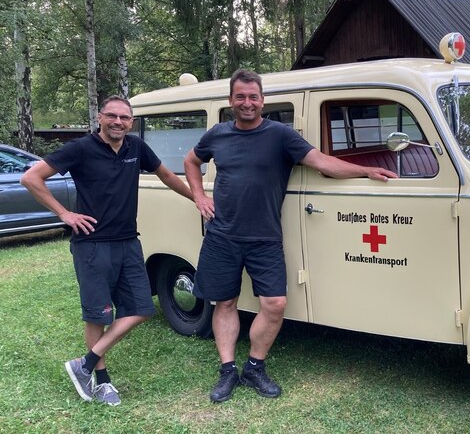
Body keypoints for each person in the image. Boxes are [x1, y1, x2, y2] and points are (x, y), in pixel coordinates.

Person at [184, 69, 397, 403]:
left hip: (265, 237)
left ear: (262, 101)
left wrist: (366, 169)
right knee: (224, 302)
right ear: (230, 101)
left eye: (253, 97)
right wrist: (198, 196)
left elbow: (323, 162)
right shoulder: (217, 134)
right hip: (222, 235)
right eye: (240, 97)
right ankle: (228, 371)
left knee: (275, 304)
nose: (247, 103)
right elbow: (191, 161)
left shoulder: (280, 135)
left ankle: (254, 367)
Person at [21, 95, 193, 406]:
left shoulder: (136, 147)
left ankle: (84, 363)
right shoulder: (81, 149)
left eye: (124, 118)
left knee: (141, 308)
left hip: (128, 242)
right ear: (100, 117)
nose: (117, 122)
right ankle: (101, 381)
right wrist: (64, 214)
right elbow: (31, 178)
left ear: (131, 121)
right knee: (98, 315)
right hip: (92, 244)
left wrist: (198, 197)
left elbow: (166, 176)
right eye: (111, 116)